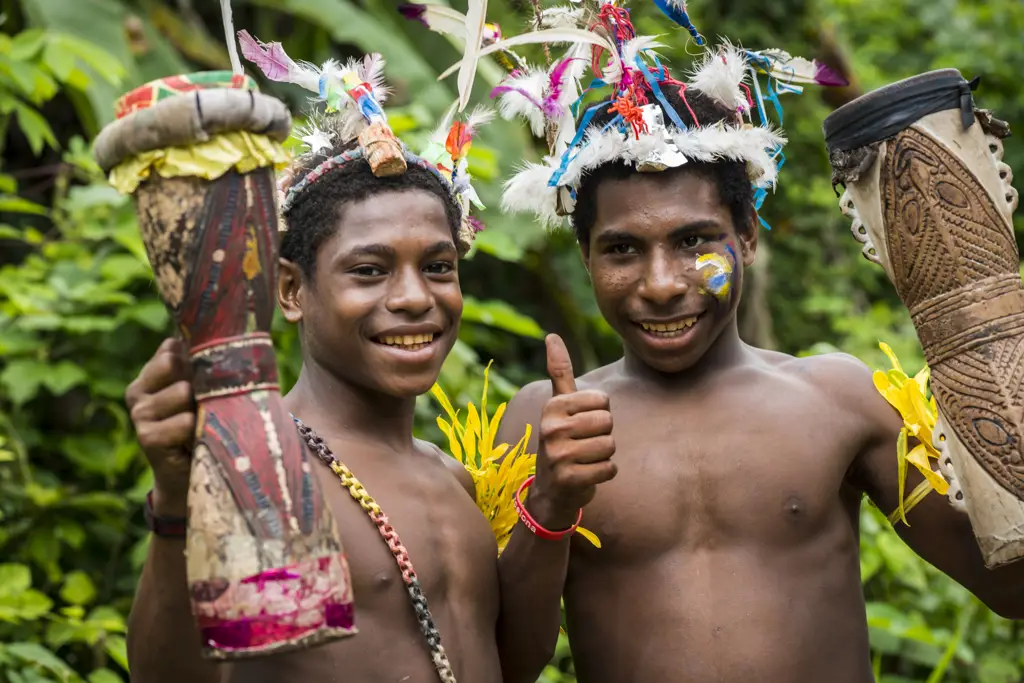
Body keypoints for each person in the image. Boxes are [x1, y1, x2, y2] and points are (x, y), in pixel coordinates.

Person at [483, 7, 1024, 683]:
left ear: (747, 238)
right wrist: (551, 505)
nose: (660, 283)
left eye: (693, 241)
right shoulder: (546, 425)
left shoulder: (840, 399)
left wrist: (992, 356)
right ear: (586, 256)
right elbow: (503, 664)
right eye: (622, 249)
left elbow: (1011, 587)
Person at [124, 43, 557, 683]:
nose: (414, 298)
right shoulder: (266, 471)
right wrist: (175, 504)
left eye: (438, 267)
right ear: (293, 291)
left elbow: (507, 662)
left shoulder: (451, 480)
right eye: (369, 271)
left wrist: (553, 502)